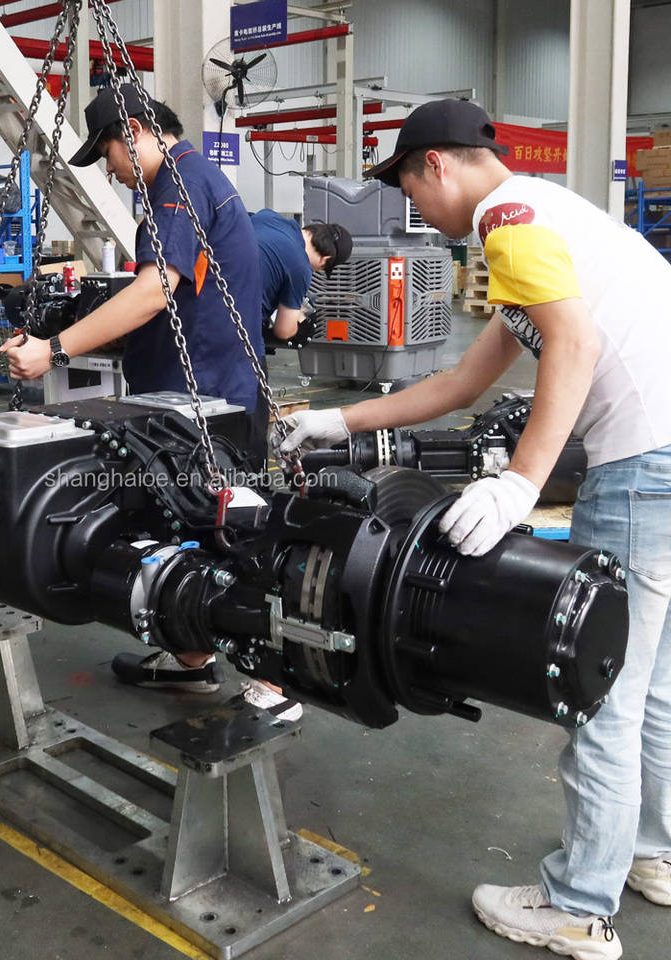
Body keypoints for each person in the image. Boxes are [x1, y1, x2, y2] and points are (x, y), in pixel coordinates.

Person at [278, 98, 671, 960]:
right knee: (653, 684)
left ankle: (579, 907)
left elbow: (573, 347)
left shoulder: (507, 218)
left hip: (645, 467)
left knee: (601, 689)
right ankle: (655, 853)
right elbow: (461, 382)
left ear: (438, 164)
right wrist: (336, 421)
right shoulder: (550, 220)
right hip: (667, 460)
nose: (417, 210)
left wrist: (518, 485)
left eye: (411, 191)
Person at [0, 84, 286, 713]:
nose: (110, 169)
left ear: (133, 130)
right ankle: (192, 657)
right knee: (184, 526)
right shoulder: (190, 181)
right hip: (195, 392)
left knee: (232, 533)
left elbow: (156, 291)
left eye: (107, 153)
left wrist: (54, 351)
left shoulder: (177, 184)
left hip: (208, 399)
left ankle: (273, 683)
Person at [250, 209, 353, 341]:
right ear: (325, 260)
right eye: (322, 269)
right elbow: (283, 331)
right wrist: (298, 316)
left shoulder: (268, 216)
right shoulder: (301, 269)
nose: (316, 271)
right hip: (235, 323)